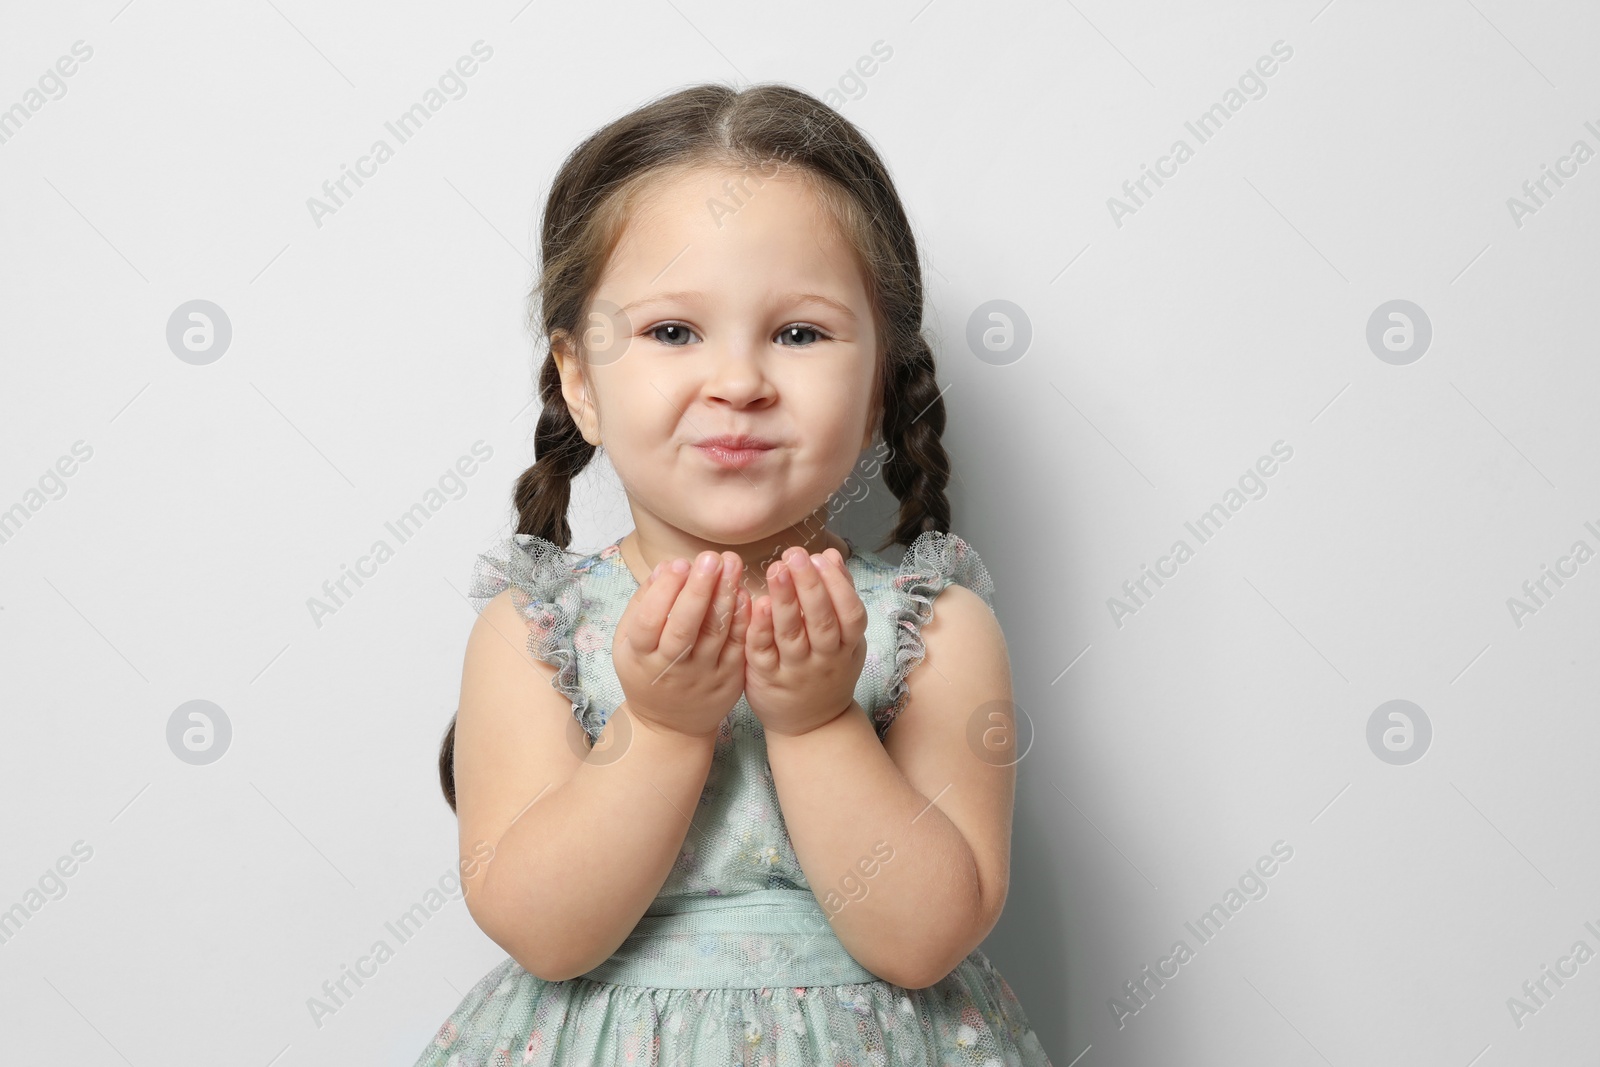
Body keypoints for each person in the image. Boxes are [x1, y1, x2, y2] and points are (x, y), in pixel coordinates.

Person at [416, 81, 1053, 1067]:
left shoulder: (934, 628)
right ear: (579, 379)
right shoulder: (533, 630)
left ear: (881, 377)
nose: (741, 381)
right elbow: (545, 929)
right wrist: (662, 725)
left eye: (799, 333)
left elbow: (923, 939)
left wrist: (818, 720)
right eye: (674, 331)